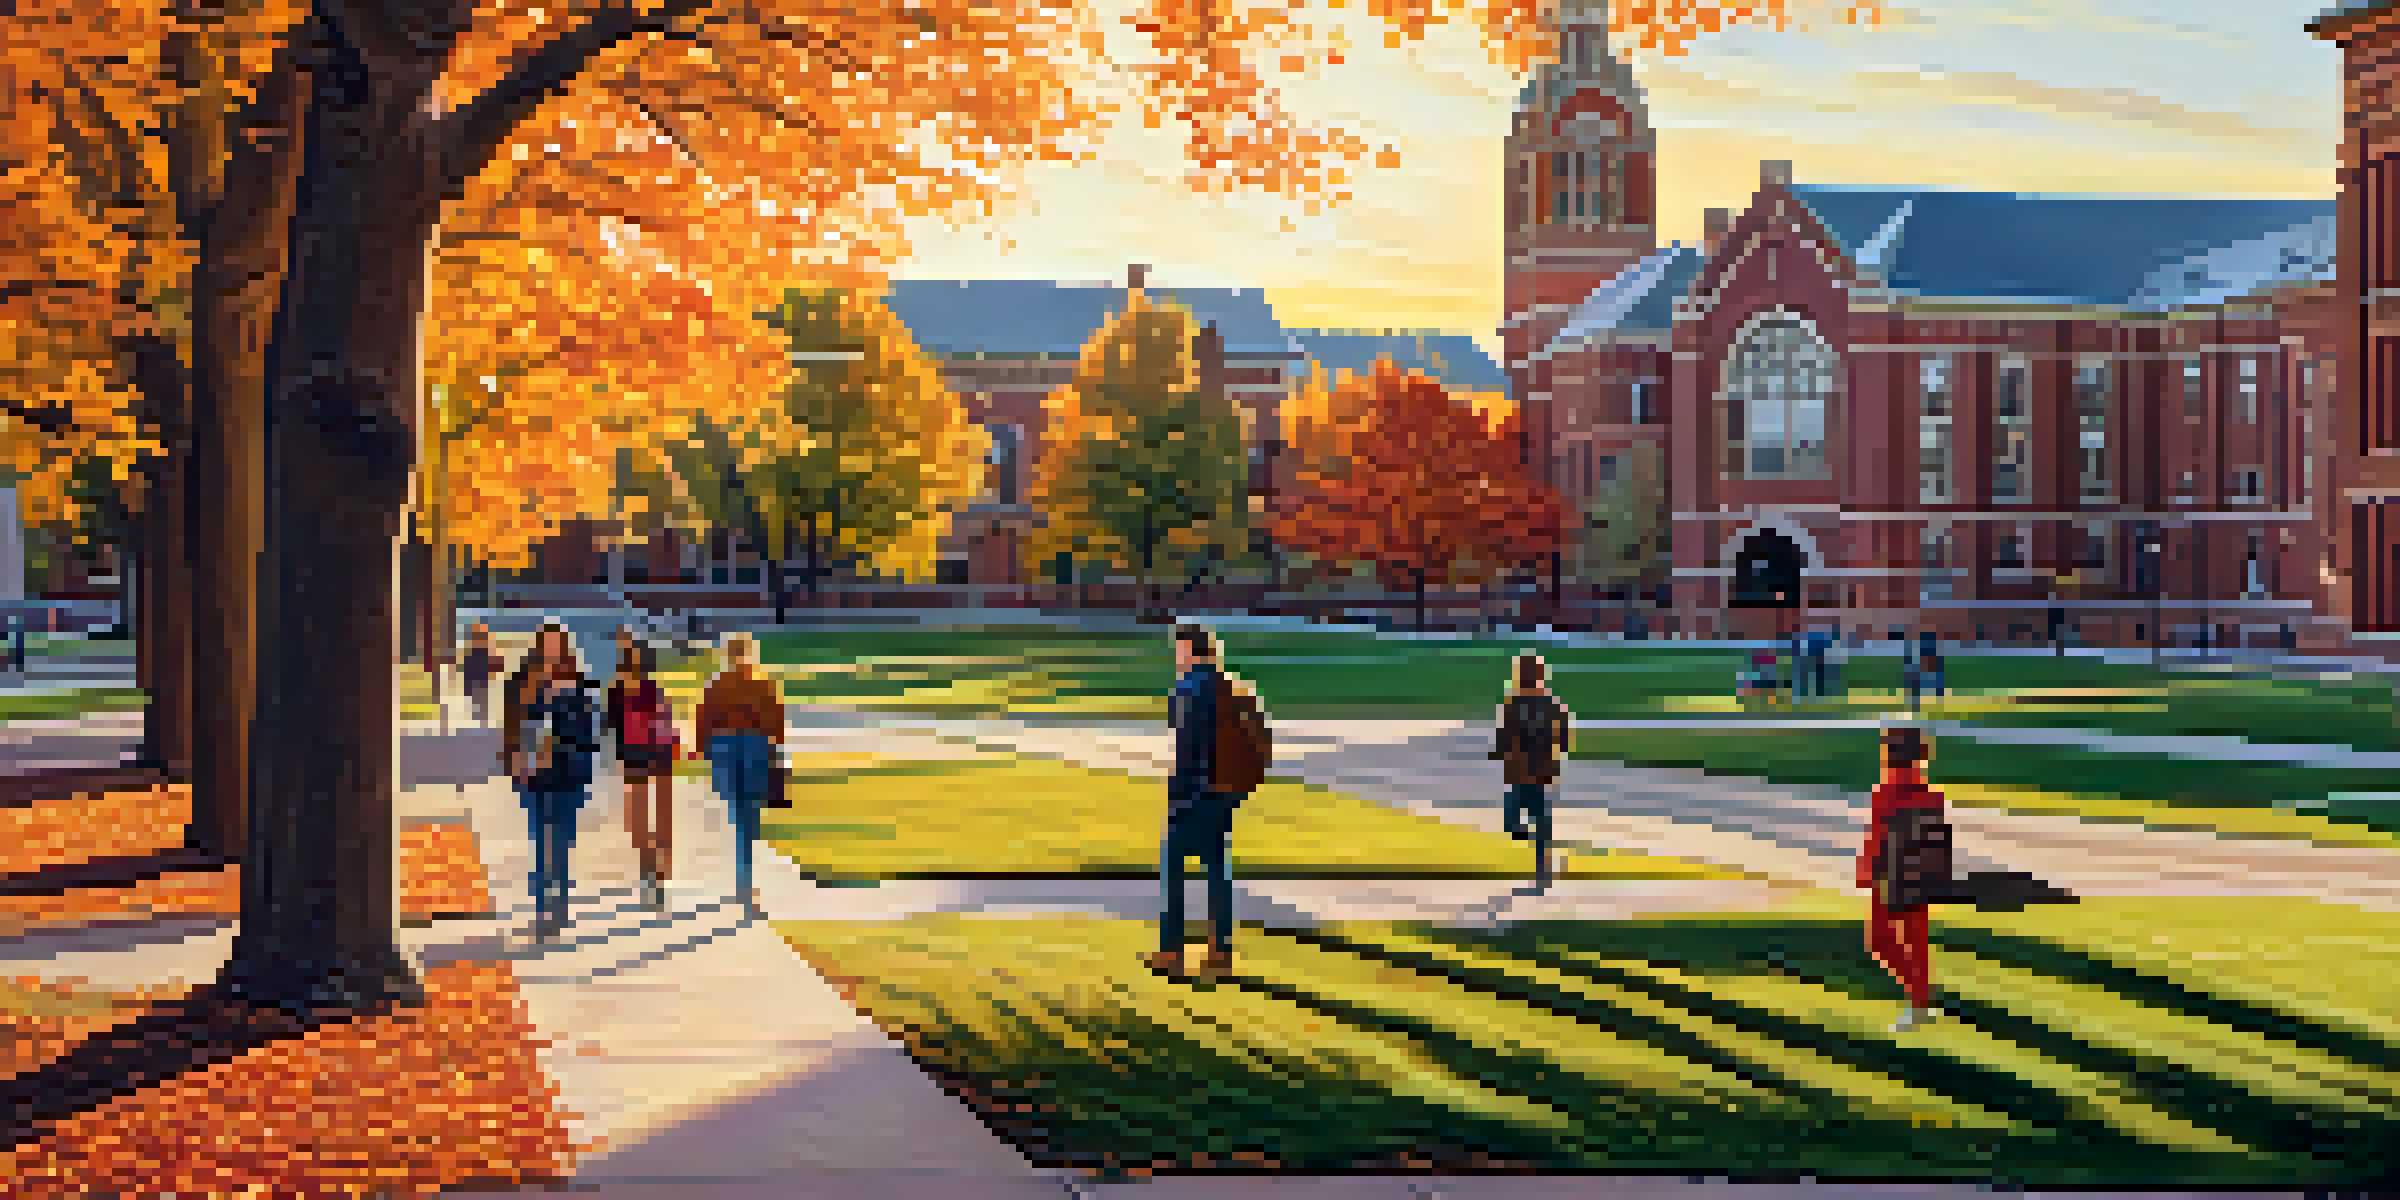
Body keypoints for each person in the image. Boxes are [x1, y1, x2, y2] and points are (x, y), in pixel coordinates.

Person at [1148, 624, 1239, 977]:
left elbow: (1186, 749)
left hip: (1193, 792)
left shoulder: (1187, 688)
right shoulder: (1225, 685)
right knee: (1217, 869)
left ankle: (1171, 951)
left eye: (1178, 647)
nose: (1176, 654)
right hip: (1224, 790)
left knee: (1173, 867)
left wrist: (1176, 797)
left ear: (1188, 647)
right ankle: (1220, 951)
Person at [506, 622, 601, 941]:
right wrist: (518, 760)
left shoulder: (580, 686)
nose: (550, 652)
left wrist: (561, 748)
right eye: (545, 645)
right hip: (534, 777)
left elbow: (589, 737)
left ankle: (558, 910)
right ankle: (542, 913)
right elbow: (514, 727)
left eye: (555, 645)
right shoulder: (526, 684)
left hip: (568, 776)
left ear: (565, 650)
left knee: (559, 846)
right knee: (540, 846)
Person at [1859, 726, 1943, 1032]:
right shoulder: (1929, 792)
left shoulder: (1886, 792)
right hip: (1920, 874)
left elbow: (1878, 839)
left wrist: (1868, 873)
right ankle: (1921, 1002)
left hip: (1891, 874)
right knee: (1917, 942)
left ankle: (1919, 997)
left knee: (1880, 940)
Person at [696, 631, 783, 920]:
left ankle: (744, 884)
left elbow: (704, 721)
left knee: (743, 816)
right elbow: (775, 723)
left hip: (734, 748)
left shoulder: (722, 684)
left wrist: (705, 751)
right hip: (744, 747)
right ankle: (745, 885)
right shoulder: (758, 684)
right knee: (745, 817)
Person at [609, 638, 681, 912]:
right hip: (644, 755)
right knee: (646, 818)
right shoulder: (631, 690)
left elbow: (613, 728)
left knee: (653, 817)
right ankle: (655, 870)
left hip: (648, 754)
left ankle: (656, 874)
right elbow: (615, 727)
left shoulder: (639, 689)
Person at [1492, 652, 1573, 888]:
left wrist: (1502, 751)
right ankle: (1543, 865)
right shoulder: (1536, 702)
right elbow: (1563, 728)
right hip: (1535, 770)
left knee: (1525, 818)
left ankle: (1543, 867)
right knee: (1536, 821)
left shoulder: (1524, 702)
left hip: (1531, 771)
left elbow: (1505, 734)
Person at [461, 623, 503, 726]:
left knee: (480, 702)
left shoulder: (480, 651)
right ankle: (479, 720)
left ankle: (481, 720)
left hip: (481, 681)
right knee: (478, 702)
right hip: (477, 681)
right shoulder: (473, 652)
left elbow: (494, 664)